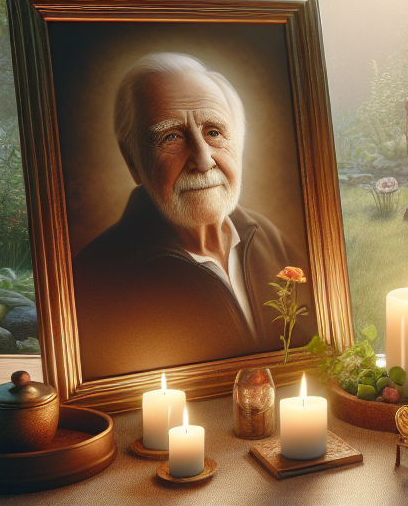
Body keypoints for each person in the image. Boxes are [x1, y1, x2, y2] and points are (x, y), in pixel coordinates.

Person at [73, 52, 312, 380]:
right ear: (133, 161)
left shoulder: (267, 238)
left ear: (237, 144)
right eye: (171, 136)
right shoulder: (96, 277)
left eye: (214, 132)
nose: (202, 159)